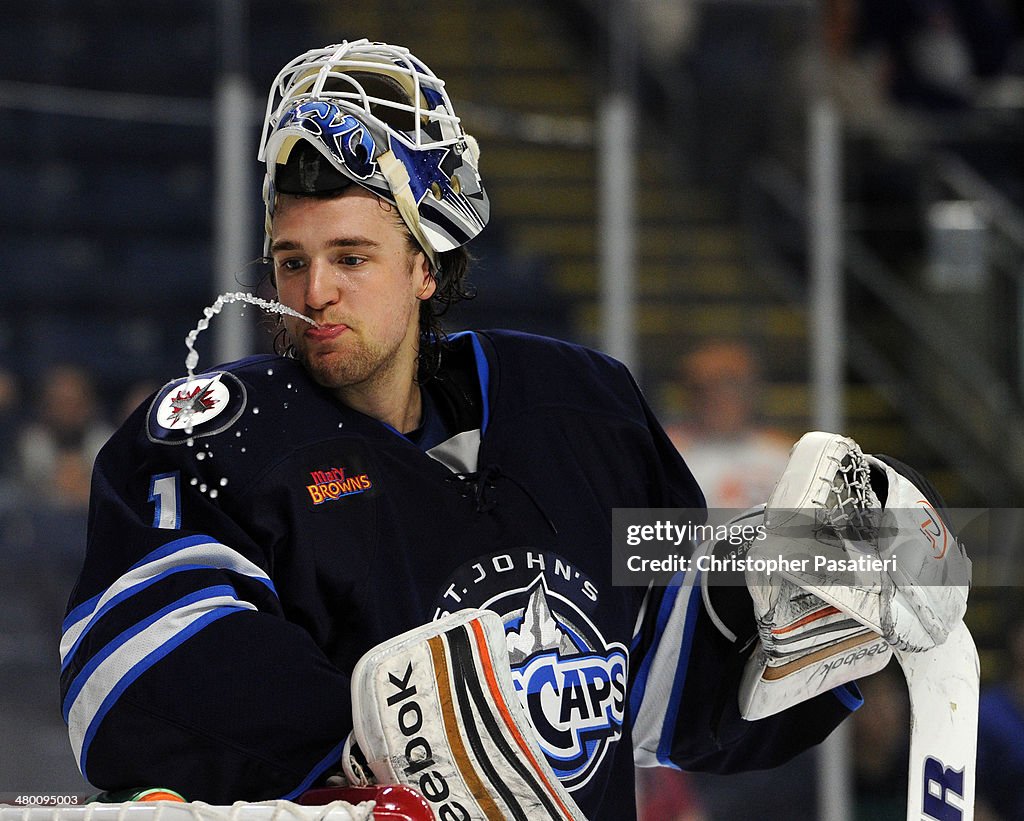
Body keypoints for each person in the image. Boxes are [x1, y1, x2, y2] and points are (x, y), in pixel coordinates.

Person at [60, 40, 970, 820]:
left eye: (351, 257)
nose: (313, 292)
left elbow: (664, 655)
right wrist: (363, 747)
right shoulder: (222, 436)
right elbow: (129, 672)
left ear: (425, 265)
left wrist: (792, 599)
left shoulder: (580, 409)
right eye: (291, 260)